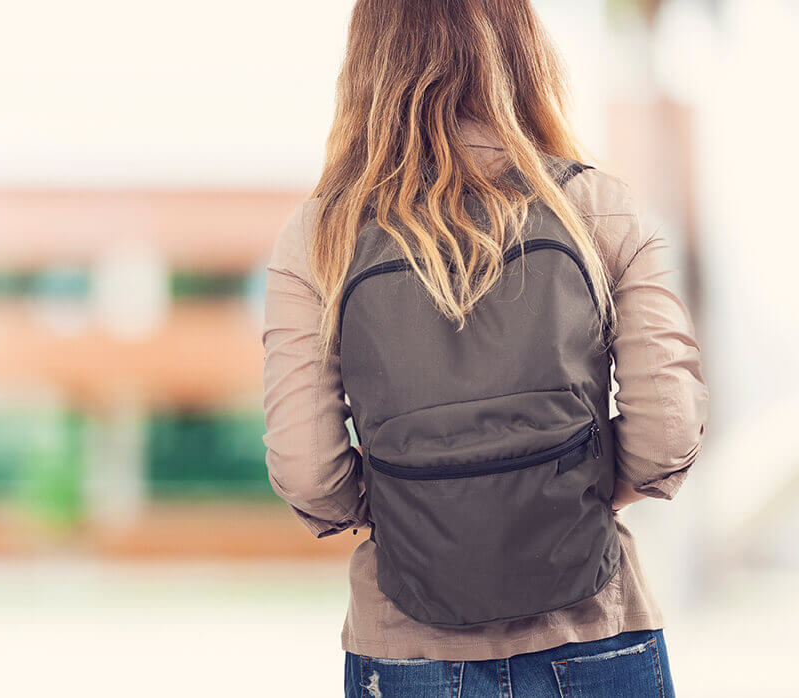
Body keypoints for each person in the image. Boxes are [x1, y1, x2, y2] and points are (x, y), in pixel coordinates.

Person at [260, 1, 708, 696]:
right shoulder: (599, 209)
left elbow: (308, 472)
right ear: (523, 52)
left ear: (367, 63)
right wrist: (576, 486)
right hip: (594, 632)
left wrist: (414, 505)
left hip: (405, 649)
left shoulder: (321, 237)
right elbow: (668, 434)